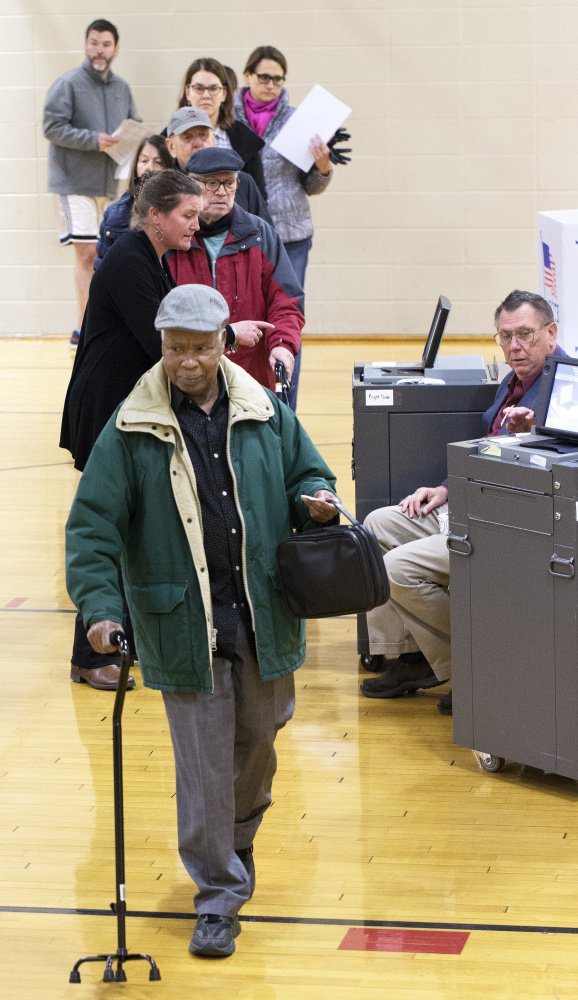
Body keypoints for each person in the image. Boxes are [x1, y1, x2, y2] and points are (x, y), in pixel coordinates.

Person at [65, 283, 338, 957]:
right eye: (173, 349)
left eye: (197, 349)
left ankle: (235, 840)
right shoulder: (131, 427)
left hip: (263, 609)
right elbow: (92, 527)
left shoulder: (263, 409)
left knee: (261, 743)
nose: (185, 362)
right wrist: (100, 609)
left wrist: (315, 500)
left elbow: (307, 472)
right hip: (183, 620)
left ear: (223, 344)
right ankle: (217, 895)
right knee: (204, 766)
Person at [359, 290, 567, 716]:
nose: (514, 347)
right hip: (467, 500)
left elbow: (558, 458)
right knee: (375, 527)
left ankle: (471, 665)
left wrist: (532, 433)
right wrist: (445, 489)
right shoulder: (515, 382)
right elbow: (486, 447)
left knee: (394, 569)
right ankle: (412, 656)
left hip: (505, 522)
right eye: (505, 337)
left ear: (551, 333)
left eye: (525, 335)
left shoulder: (566, 387)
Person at [60, 170, 203, 691]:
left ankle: (125, 639)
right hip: (104, 414)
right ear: (156, 216)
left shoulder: (150, 258)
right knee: (109, 533)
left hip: (125, 411)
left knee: (136, 528)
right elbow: (159, 341)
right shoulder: (126, 260)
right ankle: (88, 654)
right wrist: (225, 337)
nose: (195, 223)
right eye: (187, 215)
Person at [234, 45, 334, 407]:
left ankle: (284, 406)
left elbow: (312, 186)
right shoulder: (229, 120)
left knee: (287, 321)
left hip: (291, 235)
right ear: (247, 76)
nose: (271, 85)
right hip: (242, 232)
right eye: (264, 77)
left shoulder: (300, 121)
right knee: (246, 316)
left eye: (278, 79)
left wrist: (322, 167)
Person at [167, 147, 303, 399]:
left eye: (229, 183)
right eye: (211, 182)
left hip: (251, 377)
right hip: (186, 376)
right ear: (190, 185)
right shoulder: (175, 238)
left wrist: (283, 346)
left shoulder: (260, 235)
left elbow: (286, 303)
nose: (221, 191)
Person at [43, 19, 140, 345]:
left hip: (110, 185)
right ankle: (84, 332)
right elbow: (52, 127)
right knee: (86, 254)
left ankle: (100, 324)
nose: (99, 49)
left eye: (106, 44)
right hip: (73, 182)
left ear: (115, 48)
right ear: (86, 45)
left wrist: (130, 139)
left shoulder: (122, 88)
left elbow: (134, 125)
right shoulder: (67, 83)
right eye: (94, 42)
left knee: (107, 256)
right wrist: (92, 140)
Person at [177, 57, 266, 197]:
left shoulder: (245, 139)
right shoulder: (170, 136)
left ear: (224, 93)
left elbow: (258, 200)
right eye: (199, 88)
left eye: (213, 88)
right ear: (188, 92)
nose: (206, 95)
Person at [166, 107, 271, 223]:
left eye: (203, 135)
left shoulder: (243, 182)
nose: (198, 143)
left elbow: (266, 234)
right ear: (171, 146)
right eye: (187, 137)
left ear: (214, 139)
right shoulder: (162, 188)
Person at [94, 134, 172, 267]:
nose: (150, 168)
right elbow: (102, 267)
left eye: (158, 162)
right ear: (135, 166)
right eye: (144, 161)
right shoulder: (115, 213)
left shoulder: (179, 209)